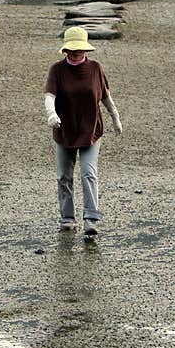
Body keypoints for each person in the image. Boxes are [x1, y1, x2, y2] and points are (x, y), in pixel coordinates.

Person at [44, 26, 122, 235]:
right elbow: (49, 96)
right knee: (64, 176)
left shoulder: (96, 68)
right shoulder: (57, 70)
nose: (75, 52)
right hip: (64, 131)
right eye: (72, 49)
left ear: (86, 49)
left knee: (88, 173)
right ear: (65, 50)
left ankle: (90, 219)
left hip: (91, 130)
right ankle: (67, 218)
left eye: (79, 49)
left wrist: (115, 117)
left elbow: (104, 96)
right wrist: (51, 115)